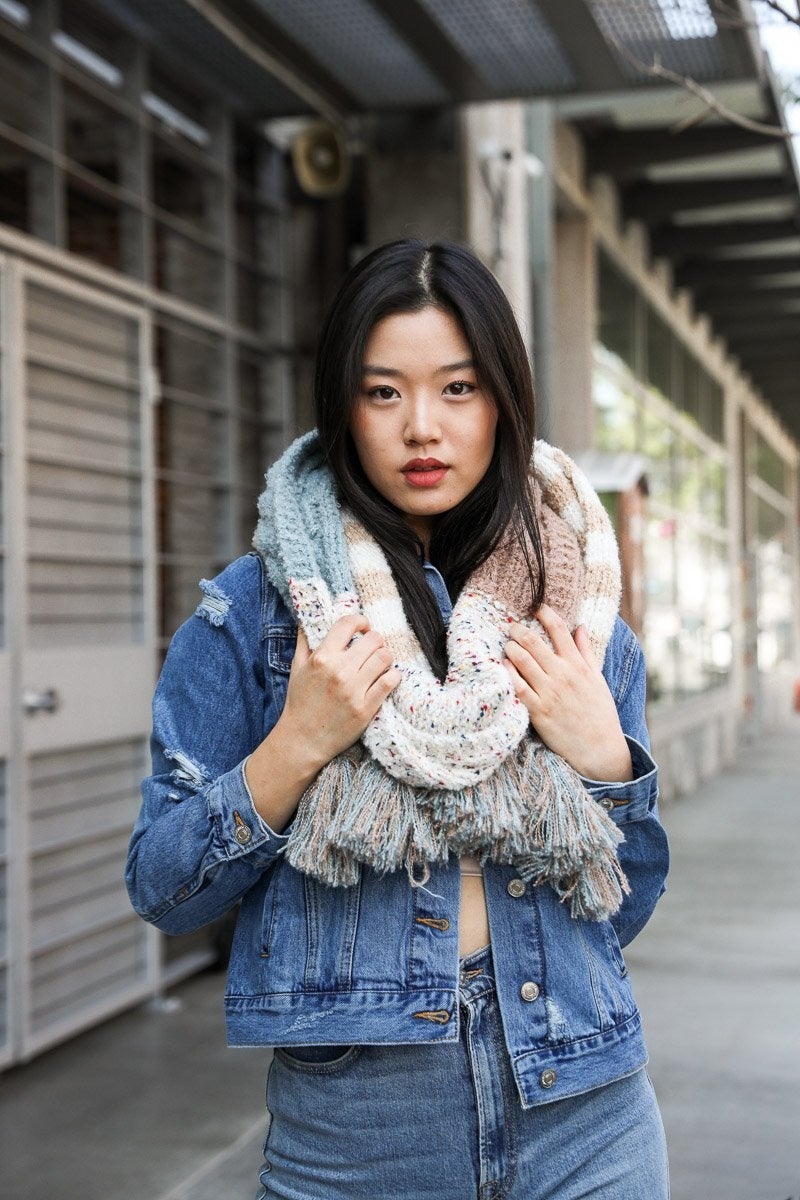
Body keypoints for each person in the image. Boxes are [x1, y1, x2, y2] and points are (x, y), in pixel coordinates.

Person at [126, 239, 670, 1200]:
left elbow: (621, 907)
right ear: (342, 406)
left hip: (586, 1110)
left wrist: (603, 762)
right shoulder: (256, 617)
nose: (423, 427)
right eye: (384, 393)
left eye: (458, 389)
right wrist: (295, 747)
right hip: (358, 1140)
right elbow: (166, 890)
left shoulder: (576, 614)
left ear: (504, 400)